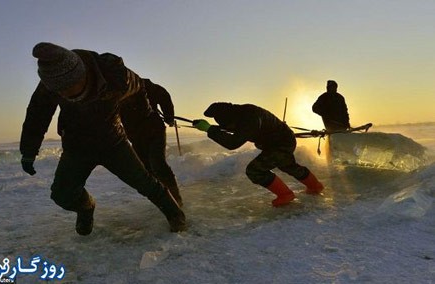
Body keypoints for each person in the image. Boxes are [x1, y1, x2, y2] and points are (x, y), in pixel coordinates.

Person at [20, 42, 186, 235]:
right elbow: (36, 115)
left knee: (145, 182)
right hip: (77, 144)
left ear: (81, 75)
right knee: (61, 195)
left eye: (69, 88)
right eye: (60, 92)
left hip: (113, 142)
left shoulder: (115, 75)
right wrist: (28, 151)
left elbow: (141, 87)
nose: (64, 94)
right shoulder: (50, 82)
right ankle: (86, 207)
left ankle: (176, 215)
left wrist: (144, 116)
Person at [192, 102, 324, 207]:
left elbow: (233, 143)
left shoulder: (249, 119)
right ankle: (315, 186)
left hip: (280, 143)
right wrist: (213, 128)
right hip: (279, 141)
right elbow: (236, 129)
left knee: (255, 170)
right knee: (287, 165)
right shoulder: (242, 113)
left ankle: (285, 194)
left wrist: (210, 129)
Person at [120, 78, 183, 206]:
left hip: (154, 131)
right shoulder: (109, 92)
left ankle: (176, 199)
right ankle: (164, 199)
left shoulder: (140, 83)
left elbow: (163, 95)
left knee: (158, 164)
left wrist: (169, 116)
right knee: (146, 169)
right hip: (135, 136)